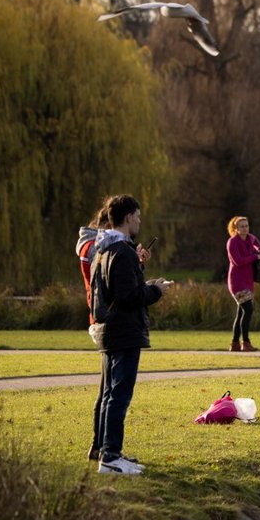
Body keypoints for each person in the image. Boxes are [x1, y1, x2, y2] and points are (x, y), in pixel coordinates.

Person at [91, 194, 172, 475]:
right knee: (118, 395)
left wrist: (139, 270)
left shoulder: (104, 249)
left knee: (108, 393)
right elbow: (128, 296)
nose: (139, 222)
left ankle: (102, 449)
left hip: (108, 330)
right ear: (127, 218)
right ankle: (111, 457)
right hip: (123, 331)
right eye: (137, 217)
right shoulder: (121, 251)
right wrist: (156, 291)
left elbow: (114, 289)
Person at [226, 216, 260, 351]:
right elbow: (238, 261)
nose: (245, 228)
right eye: (242, 226)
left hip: (248, 280)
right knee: (248, 309)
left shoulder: (251, 238)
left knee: (241, 312)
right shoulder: (232, 242)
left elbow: (259, 247)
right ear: (236, 228)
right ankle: (246, 342)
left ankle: (235, 344)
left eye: (246, 225)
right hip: (237, 281)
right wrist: (256, 256)